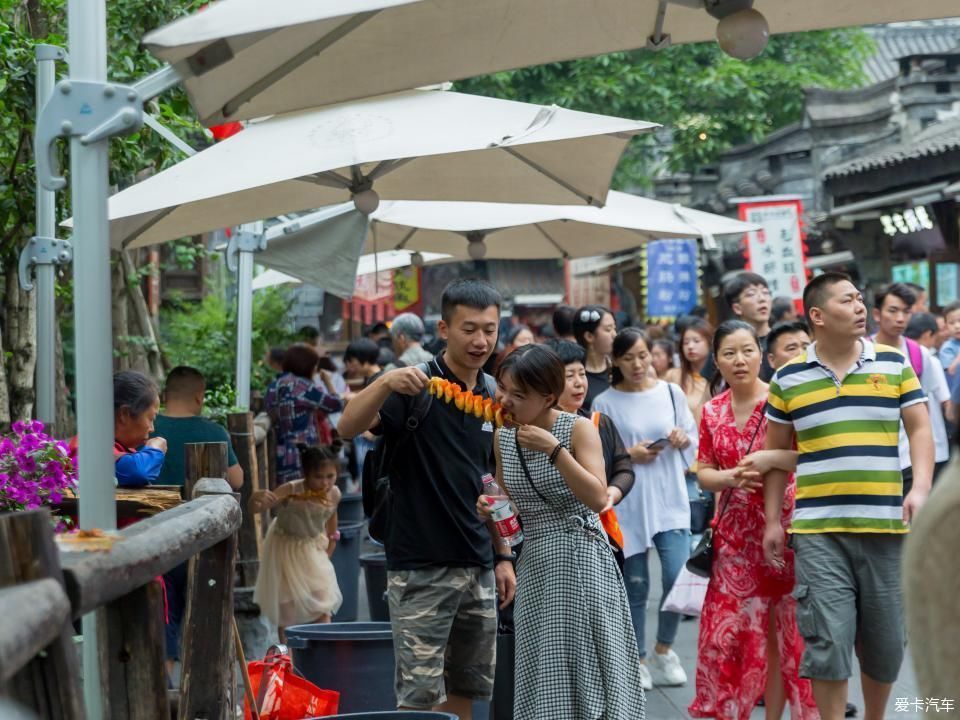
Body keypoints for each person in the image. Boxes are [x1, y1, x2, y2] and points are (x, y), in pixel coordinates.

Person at [337, 279, 516, 720]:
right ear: (443, 328)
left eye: (489, 330)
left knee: (468, 690)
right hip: (419, 565)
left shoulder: (493, 394)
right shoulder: (414, 385)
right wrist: (383, 383)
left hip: (477, 562)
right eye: (469, 329)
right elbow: (346, 427)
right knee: (418, 698)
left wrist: (503, 554)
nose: (480, 341)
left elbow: (493, 484)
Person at [763, 272, 933, 720]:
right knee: (828, 639)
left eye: (861, 298)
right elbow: (777, 454)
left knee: (885, 643)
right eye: (848, 300)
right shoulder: (788, 378)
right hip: (819, 530)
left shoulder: (894, 363)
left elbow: (920, 429)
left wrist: (920, 489)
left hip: (887, 525)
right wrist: (773, 521)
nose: (860, 307)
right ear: (817, 316)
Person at [480, 344, 645, 719]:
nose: (506, 400)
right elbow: (511, 507)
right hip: (536, 562)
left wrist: (554, 450)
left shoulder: (578, 429)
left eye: (519, 395)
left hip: (582, 558)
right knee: (543, 661)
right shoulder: (503, 436)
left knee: (588, 657)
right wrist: (491, 508)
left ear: (548, 397)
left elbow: (596, 497)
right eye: (503, 388)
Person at [688, 320, 818, 720]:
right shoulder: (711, 411)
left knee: (786, 638)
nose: (740, 360)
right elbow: (703, 470)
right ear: (717, 361)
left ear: (762, 355)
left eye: (747, 350)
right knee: (726, 636)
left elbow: (807, 458)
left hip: (785, 530)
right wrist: (729, 478)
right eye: (729, 353)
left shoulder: (784, 402)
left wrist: (769, 464)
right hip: (734, 540)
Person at [591, 328, 697, 690]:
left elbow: (693, 444)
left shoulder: (671, 392)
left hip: (669, 498)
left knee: (676, 577)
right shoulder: (604, 402)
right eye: (628, 358)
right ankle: (636, 658)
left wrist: (682, 440)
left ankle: (664, 649)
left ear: (653, 354)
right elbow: (599, 456)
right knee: (635, 586)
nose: (637, 364)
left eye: (642, 355)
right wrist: (628, 455)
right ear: (615, 361)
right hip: (629, 501)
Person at [547, 339, 636, 567]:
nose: (579, 383)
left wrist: (611, 494)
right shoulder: (539, 432)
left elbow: (623, 467)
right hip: (555, 539)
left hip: (601, 532)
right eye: (569, 376)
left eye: (582, 374)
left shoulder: (598, 422)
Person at [251, 445, 343, 634]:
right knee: (288, 611)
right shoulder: (291, 489)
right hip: (285, 548)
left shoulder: (334, 494)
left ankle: (324, 649)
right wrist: (254, 498)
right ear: (306, 474)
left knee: (322, 604)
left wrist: (328, 552)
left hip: (312, 549)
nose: (325, 483)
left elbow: (332, 528)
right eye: (318, 477)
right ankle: (289, 658)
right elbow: (257, 509)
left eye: (330, 476)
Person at [872, 283, 950, 489]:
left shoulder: (919, 354)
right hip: (875, 458)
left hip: (910, 459)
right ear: (877, 314)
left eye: (906, 312)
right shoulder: (861, 353)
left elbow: (925, 409)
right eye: (893, 310)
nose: (900, 318)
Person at [70, 370, 167, 487]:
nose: (152, 428)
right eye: (151, 419)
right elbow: (136, 472)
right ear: (124, 414)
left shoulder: (116, 447)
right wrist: (154, 450)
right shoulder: (88, 446)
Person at [152, 366, 243, 490]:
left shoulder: (145, 427)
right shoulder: (215, 432)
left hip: (149, 507)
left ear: (164, 396)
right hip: (200, 508)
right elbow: (237, 480)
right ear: (199, 397)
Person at [266, 343, 344, 484]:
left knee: (288, 496)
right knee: (307, 497)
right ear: (306, 365)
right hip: (304, 453)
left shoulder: (274, 385)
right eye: (314, 365)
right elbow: (335, 404)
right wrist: (328, 382)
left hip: (280, 451)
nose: (315, 369)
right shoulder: (302, 386)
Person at [724, 272, 773, 380]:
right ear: (737, 308)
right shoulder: (725, 345)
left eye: (765, 292)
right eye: (751, 294)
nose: (762, 299)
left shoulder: (781, 339)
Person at [666, 319, 713, 426]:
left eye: (696, 341)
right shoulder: (673, 376)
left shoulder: (720, 378)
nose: (690, 347)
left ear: (710, 343)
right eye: (686, 342)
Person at [573, 305, 617, 411]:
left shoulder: (618, 368)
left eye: (614, 328)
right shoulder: (577, 378)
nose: (615, 334)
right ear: (589, 336)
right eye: (608, 329)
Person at [936, 301, 960, 393]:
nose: (957, 326)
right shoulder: (947, 348)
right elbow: (952, 372)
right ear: (946, 326)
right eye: (951, 323)